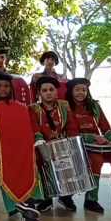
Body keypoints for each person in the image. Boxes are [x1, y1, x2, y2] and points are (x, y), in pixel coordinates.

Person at [0, 73, 41, 221]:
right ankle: (16, 207)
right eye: (0, 86)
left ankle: (25, 208)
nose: (3, 89)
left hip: (17, 150)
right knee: (5, 176)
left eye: (7, 86)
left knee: (22, 175)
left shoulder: (21, 108)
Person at [66, 78, 111, 213]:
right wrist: (93, 137)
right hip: (80, 145)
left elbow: (106, 128)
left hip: (100, 144)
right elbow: (69, 133)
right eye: (77, 89)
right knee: (96, 160)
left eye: (84, 90)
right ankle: (91, 200)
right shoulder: (65, 107)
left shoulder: (94, 106)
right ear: (71, 91)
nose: (81, 93)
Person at [29, 76, 80, 212]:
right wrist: (39, 140)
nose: (48, 93)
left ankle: (66, 196)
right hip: (43, 145)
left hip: (63, 144)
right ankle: (46, 198)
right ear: (39, 92)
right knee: (42, 168)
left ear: (57, 91)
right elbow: (35, 127)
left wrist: (70, 140)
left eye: (51, 89)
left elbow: (71, 126)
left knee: (67, 165)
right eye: (44, 90)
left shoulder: (64, 106)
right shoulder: (33, 108)